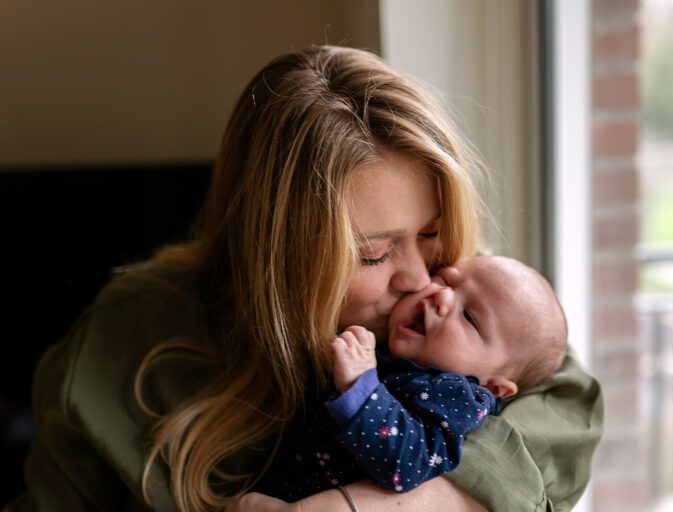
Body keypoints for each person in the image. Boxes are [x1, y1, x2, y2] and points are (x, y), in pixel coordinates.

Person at [5, 45, 603, 512]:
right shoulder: (121, 345)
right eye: (372, 254)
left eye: (432, 232)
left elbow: (566, 406)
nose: (423, 278)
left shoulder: (470, 299)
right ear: (277, 254)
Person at [250, 255, 568, 501]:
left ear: (493, 386)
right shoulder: (399, 354)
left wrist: (361, 386)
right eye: (446, 279)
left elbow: (408, 462)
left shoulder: (457, 397)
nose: (442, 297)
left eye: (470, 317)